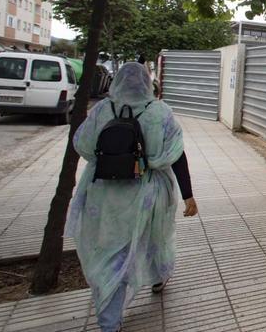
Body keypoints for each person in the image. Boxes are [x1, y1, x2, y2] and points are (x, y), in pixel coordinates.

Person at [66, 63, 198, 332]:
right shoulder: (160, 112)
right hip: (148, 193)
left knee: (110, 250)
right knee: (151, 239)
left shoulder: (103, 110)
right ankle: (153, 279)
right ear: (147, 83)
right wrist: (188, 195)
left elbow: (83, 145)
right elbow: (177, 154)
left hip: (103, 194)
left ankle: (110, 318)